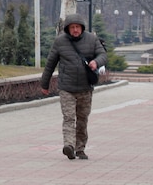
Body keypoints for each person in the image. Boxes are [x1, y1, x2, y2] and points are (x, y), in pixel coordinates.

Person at [40, 13, 107, 160]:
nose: (75, 30)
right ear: (68, 29)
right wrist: (44, 84)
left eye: (77, 27)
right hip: (66, 88)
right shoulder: (60, 42)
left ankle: (80, 148)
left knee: (82, 120)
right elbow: (50, 64)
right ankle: (69, 146)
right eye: (72, 27)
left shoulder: (91, 39)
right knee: (69, 118)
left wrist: (96, 62)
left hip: (85, 88)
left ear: (82, 28)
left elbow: (103, 55)